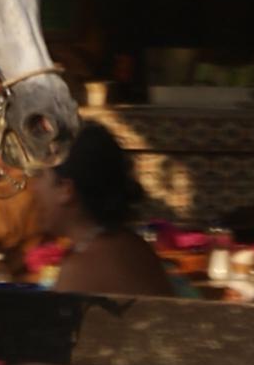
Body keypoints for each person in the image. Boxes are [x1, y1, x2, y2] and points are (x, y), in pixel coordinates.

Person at [30, 124, 172, 297]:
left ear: (66, 190)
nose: (34, 187)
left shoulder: (80, 269)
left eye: (40, 175)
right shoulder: (135, 246)